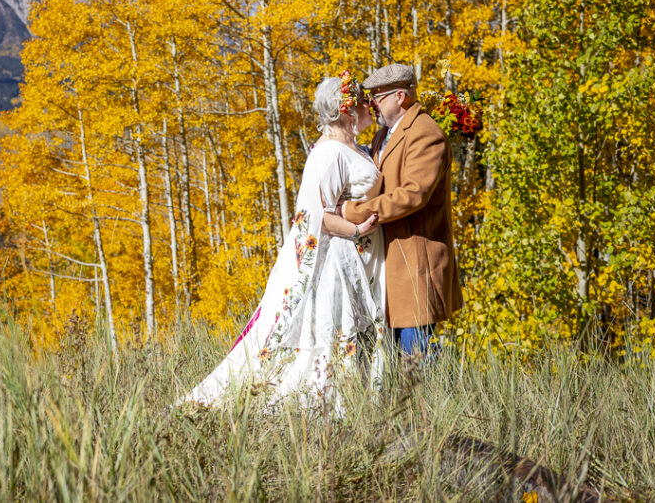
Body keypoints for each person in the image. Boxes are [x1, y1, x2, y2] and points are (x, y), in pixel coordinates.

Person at [179, 70, 386, 415]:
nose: (370, 107)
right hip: (334, 259)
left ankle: (355, 404)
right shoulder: (329, 153)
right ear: (346, 109)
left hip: (357, 259)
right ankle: (324, 409)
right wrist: (358, 229)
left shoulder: (358, 148)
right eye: (364, 101)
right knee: (333, 331)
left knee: (349, 333)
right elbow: (317, 214)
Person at [340, 63, 463, 357]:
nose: (372, 106)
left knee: (416, 366)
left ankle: (434, 406)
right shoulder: (383, 136)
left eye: (378, 98)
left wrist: (354, 212)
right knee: (392, 368)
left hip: (415, 267)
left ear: (400, 97)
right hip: (389, 266)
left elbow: (412, 195)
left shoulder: (425, 133)